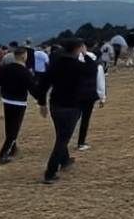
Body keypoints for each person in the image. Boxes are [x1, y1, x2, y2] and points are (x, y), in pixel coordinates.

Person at [35, 39, 97, 184]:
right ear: (78, 48)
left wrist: (42, 104)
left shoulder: (55, 64)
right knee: (63, 139)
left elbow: (43, 85)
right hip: (73, 106)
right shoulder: (78, 66)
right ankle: (50, 172)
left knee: (61, 134)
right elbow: (92, 69)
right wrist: (86, 53)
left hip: (55, 104)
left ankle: (65, 160)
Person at [0, 46, 35, 163]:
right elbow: (32, 88)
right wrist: (41, 100)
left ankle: (13, 148)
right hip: (19, 102)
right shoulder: (25, 72)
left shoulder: (5, 69)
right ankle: (3, 154)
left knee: (9, 126)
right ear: (23, 55)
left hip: (6, 100)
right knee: (14, 129)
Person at [76, 49, 108, 151]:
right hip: (89, 97)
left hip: (75, 96)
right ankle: (81, 142)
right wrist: (102, 98)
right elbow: (101, 84)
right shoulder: (97, 67)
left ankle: (64, 141)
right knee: (85, 119)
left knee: (72, 119)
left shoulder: (75, 66)